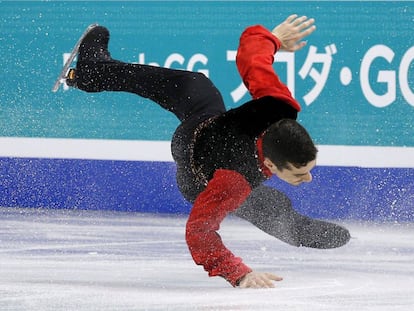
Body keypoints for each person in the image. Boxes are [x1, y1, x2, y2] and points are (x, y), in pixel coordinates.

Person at [64, 14, 351, 288]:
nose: (309, 178)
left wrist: (273, 39)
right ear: (271, 165)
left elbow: (252, 59)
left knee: (197, 87)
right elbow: (198, 232)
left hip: (209, 124)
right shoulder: (233, 181)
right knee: (261, 202)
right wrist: (238, 274)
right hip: (195, 173)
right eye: (300, 172)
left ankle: (91, 73)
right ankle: (93, 71)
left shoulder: (279, 107)